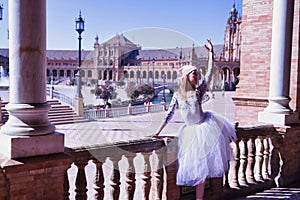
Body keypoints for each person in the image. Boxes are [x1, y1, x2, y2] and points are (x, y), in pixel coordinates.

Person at [153, 39, 237, 200]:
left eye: (197, 73)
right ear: (186, 77)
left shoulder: (199, 91)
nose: (197, 76)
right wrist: (158, 131)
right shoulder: (178, 95)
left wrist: (211, 53)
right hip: (189, 132)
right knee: (194, 168)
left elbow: (210, 72)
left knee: (204, 169)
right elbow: (169, 114)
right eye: (194, 73)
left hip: (204, 127)